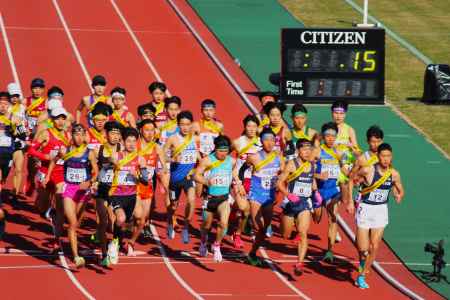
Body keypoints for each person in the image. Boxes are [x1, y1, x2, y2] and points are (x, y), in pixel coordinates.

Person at [351, 143, 404, 289]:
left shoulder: (394, 174)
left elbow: (400, 189)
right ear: (378, 156)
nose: (386, 159)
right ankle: (363, 259)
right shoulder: (368, 170)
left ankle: (361, 276)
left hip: (381, 211)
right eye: (383, 156)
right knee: (363, 249)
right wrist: (351, 197)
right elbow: (352, 179)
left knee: (374, 246)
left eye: (388, 156)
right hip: (366, 209)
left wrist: (398, 195)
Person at [195, 135, 243, 262]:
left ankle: (216, 246)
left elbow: (234, 174)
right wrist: (206, 181)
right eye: (220, 151)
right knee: (207, 225)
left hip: (224, 198)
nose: (223, 154)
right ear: (215, 149)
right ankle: (203, 242)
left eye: (225, 151)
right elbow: (196, 176)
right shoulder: (207, 160)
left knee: (223, 223)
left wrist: (238, 183)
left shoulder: (231, 161)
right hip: (209, 198)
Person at [31, 107, 71, 249]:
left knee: (60, 206)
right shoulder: (45, 134)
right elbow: (31, 150)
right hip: (44, 172)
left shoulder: (68, 136)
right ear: (52, 120)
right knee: (42, 206)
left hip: (60, 174)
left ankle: (56, 239)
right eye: (57, 118)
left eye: (62, 118)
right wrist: (45, 156)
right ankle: (46, 208)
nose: (60, 121)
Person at [60, 124, 98, 268]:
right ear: (72, 135)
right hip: (69, 189)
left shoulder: (89, 152)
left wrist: (90, 181)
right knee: (73, 223)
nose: (79, 137)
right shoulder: (67, 150)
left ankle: (61, 219)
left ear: (85, 136)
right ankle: (76, 256)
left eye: (82, 134)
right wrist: (49, 174)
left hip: (83, 192)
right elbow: (54, 160)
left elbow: (96, 171)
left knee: (77, 220)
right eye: (76, 134)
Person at [277, 139, 317, 275]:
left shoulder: (312, 165)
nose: (307, 152)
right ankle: (283, 218)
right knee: (285, 234)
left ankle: (299, 263)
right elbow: (280, 183)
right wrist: (288, 194)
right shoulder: (291, 165)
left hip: (304, 203)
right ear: (298, 151)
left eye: (309, 149)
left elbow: (312, 181)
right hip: (290, 203)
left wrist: (316, 193)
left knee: (303, 233)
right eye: (304, 149)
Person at [246, 127, 284, 266]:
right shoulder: (254, 157)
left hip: (269, 196)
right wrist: (239, 184)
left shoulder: (279, 157)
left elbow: (284, 173)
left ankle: (252, 253)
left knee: (264, 228)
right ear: (261, 141)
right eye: (266, 140)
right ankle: (248, 222)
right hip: (256, 195)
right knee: (257, 226)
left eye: (272, 140)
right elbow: (241, 169)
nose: (269, 142)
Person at [108, 127, 146, 258]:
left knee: (139, 220)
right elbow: (106, 166)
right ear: (123, 142)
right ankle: (114, 243)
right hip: (116, 194)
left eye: (134, 141)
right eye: (128, 141)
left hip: (131, 195)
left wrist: (136, 176)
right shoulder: (116, 156)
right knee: (121, 218)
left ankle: (129, 243)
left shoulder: (140, 159)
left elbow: (145, 180)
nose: (131, 144)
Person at [164, 111, 199, 243]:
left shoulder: (195, 139)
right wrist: (172, 158)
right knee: (173, 206)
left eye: (188, 124)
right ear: (178, 125)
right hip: (175, 179)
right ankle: (170, 221)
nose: (185, 127)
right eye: (182, 124)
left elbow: (202, 152)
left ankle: (185, 228)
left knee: (191, 200)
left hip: (189, 177)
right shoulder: (173, 139)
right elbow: (162, 155)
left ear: (191, 125)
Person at [314, 122, 347, 262]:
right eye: (327, 135)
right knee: (316, 219)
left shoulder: (340, 153)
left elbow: (346, 171)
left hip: (332, 190)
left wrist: (350, 175)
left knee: (333, 218)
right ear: (323, 136)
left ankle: (329, 250)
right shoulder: (316, 152)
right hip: (318, 191)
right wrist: (318, 176)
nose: (330, 138)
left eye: (333, 136)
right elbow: (307, 171)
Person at [94, 121, 122, 267]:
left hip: (117, 189)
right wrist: (93, 180)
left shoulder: (123, 149)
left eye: (118, 133)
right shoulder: (98, 150)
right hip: (102, 188)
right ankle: (104, 254)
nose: (116, 136)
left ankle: (114, 246)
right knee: (103, 222)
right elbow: (93, 168)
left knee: (114, 220)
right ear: (106, 134)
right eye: (113, 133)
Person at [231, 114, 261, 248]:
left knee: (252, 212)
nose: (251, 129)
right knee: (244, 209)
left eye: (254, 126)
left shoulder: (261, 143)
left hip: (255, 181)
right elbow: (224, 155)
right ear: (245, 127)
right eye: (249, 126)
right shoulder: (238, 142)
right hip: (240, 179)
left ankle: (241, 229)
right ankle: (237, 235)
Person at [136, 119, 168, 239]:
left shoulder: (157, 148)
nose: (150, 133)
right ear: (141, 131)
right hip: (133, 184)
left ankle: (142, 227)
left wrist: (162, 172)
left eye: (152, 130)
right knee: (137, 214)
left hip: (148, 184)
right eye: (147, 130)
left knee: (144, 215)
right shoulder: (135, 146)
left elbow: (163, 167)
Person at [24, 78, 47, 196]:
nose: (37, 91)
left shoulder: (46, 103)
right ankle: (31, 178)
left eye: (40, 88)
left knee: (38, 161)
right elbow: (20, 118)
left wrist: (42, 127)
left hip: (40, 137)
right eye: (35, 88)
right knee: (30, 163)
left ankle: (39, 184)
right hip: (28, 136)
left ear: (43, 90)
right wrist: (25, 130)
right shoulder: (25, 102)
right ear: (31, 89)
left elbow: (49, 121)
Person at [7, 84, 27, 198]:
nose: (14, 98)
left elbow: (26, 122)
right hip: (7, 141)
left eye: (16, 96)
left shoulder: (23, 108)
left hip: (19, 141)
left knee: (18, 169)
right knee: (5, 168)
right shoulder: (5, 108)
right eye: (12, 96)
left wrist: (26, 131)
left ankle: (15, 193)